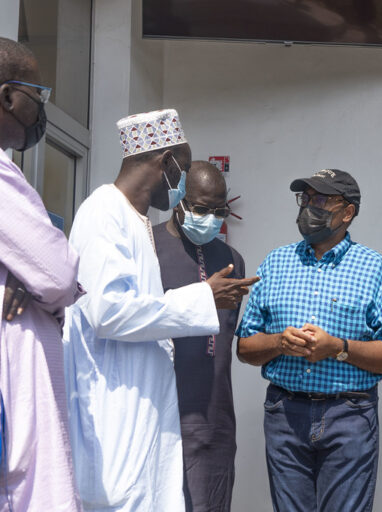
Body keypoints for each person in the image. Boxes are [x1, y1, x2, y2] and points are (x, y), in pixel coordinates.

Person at [63, 109, 258, 511]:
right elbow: (109, 312)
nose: (182, 182)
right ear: (165, 162)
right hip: (114, 410)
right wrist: (203, 297)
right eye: (183, 170)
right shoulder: (103, 213)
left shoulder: (133, 221)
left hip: (144, 411)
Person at [236, 169, 382, 512]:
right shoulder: (276, 262)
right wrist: (279, 343)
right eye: (305, 199)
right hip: (285, 412)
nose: (308, 207)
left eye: (320, 199)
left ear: (347, 212)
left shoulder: (375, 269)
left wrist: (340, 348)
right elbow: (245, 348)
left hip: (349, 414)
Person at [0, 37, 82, 511]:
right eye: (39, 94)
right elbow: (57, 273)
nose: (40, 109)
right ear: (9, 96)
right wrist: (32, 279)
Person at [153, 160, 245, 512]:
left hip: (215, 421)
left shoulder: (233, 260)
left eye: (219, 210)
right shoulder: (149, 247)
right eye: (201, 209)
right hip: (160, 416)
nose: (210, 218)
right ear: (180, 202)